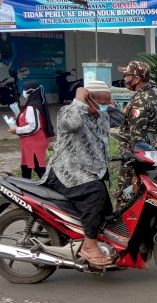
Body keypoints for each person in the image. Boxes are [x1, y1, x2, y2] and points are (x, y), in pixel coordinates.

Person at [39, 81, 123, 266]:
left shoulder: (101, 116)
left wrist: (110, 99)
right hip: (66, 173)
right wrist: (79, 97)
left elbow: (120, 119)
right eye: (101, 102)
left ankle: (100, 244)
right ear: (88, 100)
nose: (104, 107)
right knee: (96, 193)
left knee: (107, 213)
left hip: (90, 174)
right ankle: (89, 245)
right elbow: (74, 123)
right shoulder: (68, 113)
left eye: (106, 103)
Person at [115, 61, 157, 208]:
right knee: (147, 193)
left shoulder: (140, 101)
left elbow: (137, 137)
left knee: (126, 194)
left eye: (127, 75)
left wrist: (136, 169)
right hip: (154, 153)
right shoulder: (155, 95)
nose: (124, 79)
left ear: (137, 78)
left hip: (137, 158)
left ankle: (125, 227)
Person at [9, 81, 54, 179]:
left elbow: (34, 126)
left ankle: (51, 189)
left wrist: (17, 130)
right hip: (30, 143)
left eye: (25, 89)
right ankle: (26, 189)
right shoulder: (34, 104)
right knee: (26, 167)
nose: (23, 92)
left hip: (34, 143)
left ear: (30, 92)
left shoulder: (32, 107)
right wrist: (19, 116)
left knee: (38, 168)